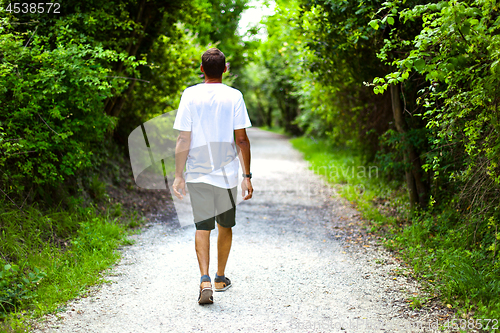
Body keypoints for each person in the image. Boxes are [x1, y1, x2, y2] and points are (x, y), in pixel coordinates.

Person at [172, 48, 253, 305]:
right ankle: (220, 277)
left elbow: (183, 137)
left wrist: (178, 175)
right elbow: (241, 139)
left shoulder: (190, 94)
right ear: (225, 69)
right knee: (225, 225)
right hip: (227, 175)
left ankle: (204, 278)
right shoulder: (234, 96)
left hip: (197, 173)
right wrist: (247, 175)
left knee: (202, 226)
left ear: (201, 69)